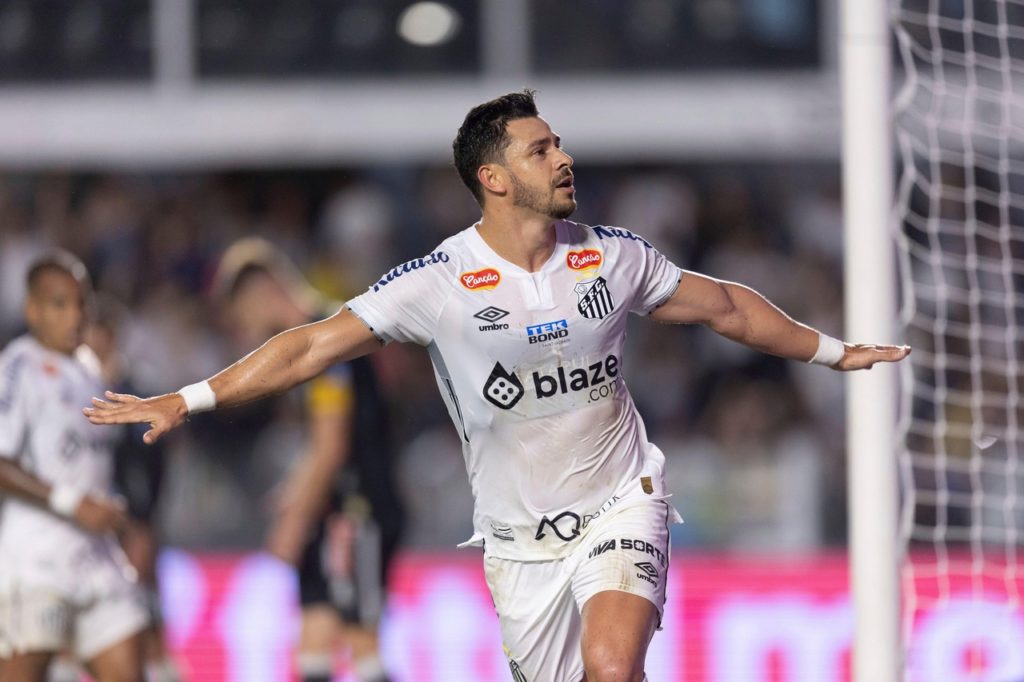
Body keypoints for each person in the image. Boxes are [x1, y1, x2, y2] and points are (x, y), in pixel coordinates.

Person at [85, 90, 910, 682]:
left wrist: (830, 351)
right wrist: (188, 397)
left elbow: (724, 306)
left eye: (559, 143)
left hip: (622, 501)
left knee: (613, 665)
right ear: (494, 178)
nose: (565, 157)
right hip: (518, 544)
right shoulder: (439, 280)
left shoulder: (611, 254)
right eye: (541, 148)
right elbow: (308, 347)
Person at [211, 238, 401, 682]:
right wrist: (296, 490)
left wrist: (295, 515)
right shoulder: (309, 343)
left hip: (358, 511)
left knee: (359, 640)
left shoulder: (328, 333)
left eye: (242, 318)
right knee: (314, 639)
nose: (245, 332)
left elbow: (332, 443)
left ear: (259, 296)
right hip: (334, 507)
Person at [0, 251, 149, 682]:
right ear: (32, 310)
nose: (75, 315)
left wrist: (121, 520)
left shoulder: (88, 370)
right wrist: (73, 503)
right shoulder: (17, 369)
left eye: (82, 302)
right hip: (36, 563)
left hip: (97, 559)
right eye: (59, 304)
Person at [85, 295, 184, 682]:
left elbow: (154, 463)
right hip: (86, 522)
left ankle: (164, 671)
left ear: (109, 336)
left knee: (144, 611)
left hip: (132, 520)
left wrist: (144, 521)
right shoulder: (73, 388)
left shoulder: (138, 392)